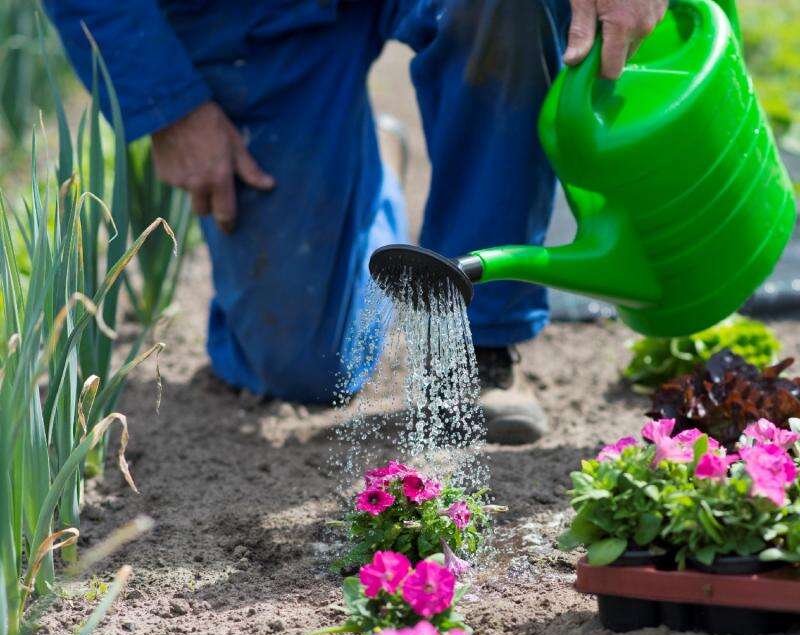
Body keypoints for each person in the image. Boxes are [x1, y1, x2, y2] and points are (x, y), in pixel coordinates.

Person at [45, 0, 667, 444]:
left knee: (506, 11)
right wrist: (168, 106)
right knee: (307, 367)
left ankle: (477, 346)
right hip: (246, 20)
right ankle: (372, 179)